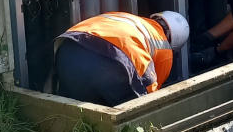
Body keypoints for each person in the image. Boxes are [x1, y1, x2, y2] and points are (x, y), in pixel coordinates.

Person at [47, 11, 189, 107]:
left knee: (76, 112)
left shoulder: (129, 19)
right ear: (174, 42)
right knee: (129, 116)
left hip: (67, 51)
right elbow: (152, 93)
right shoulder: (164, 47)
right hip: (110, 63)